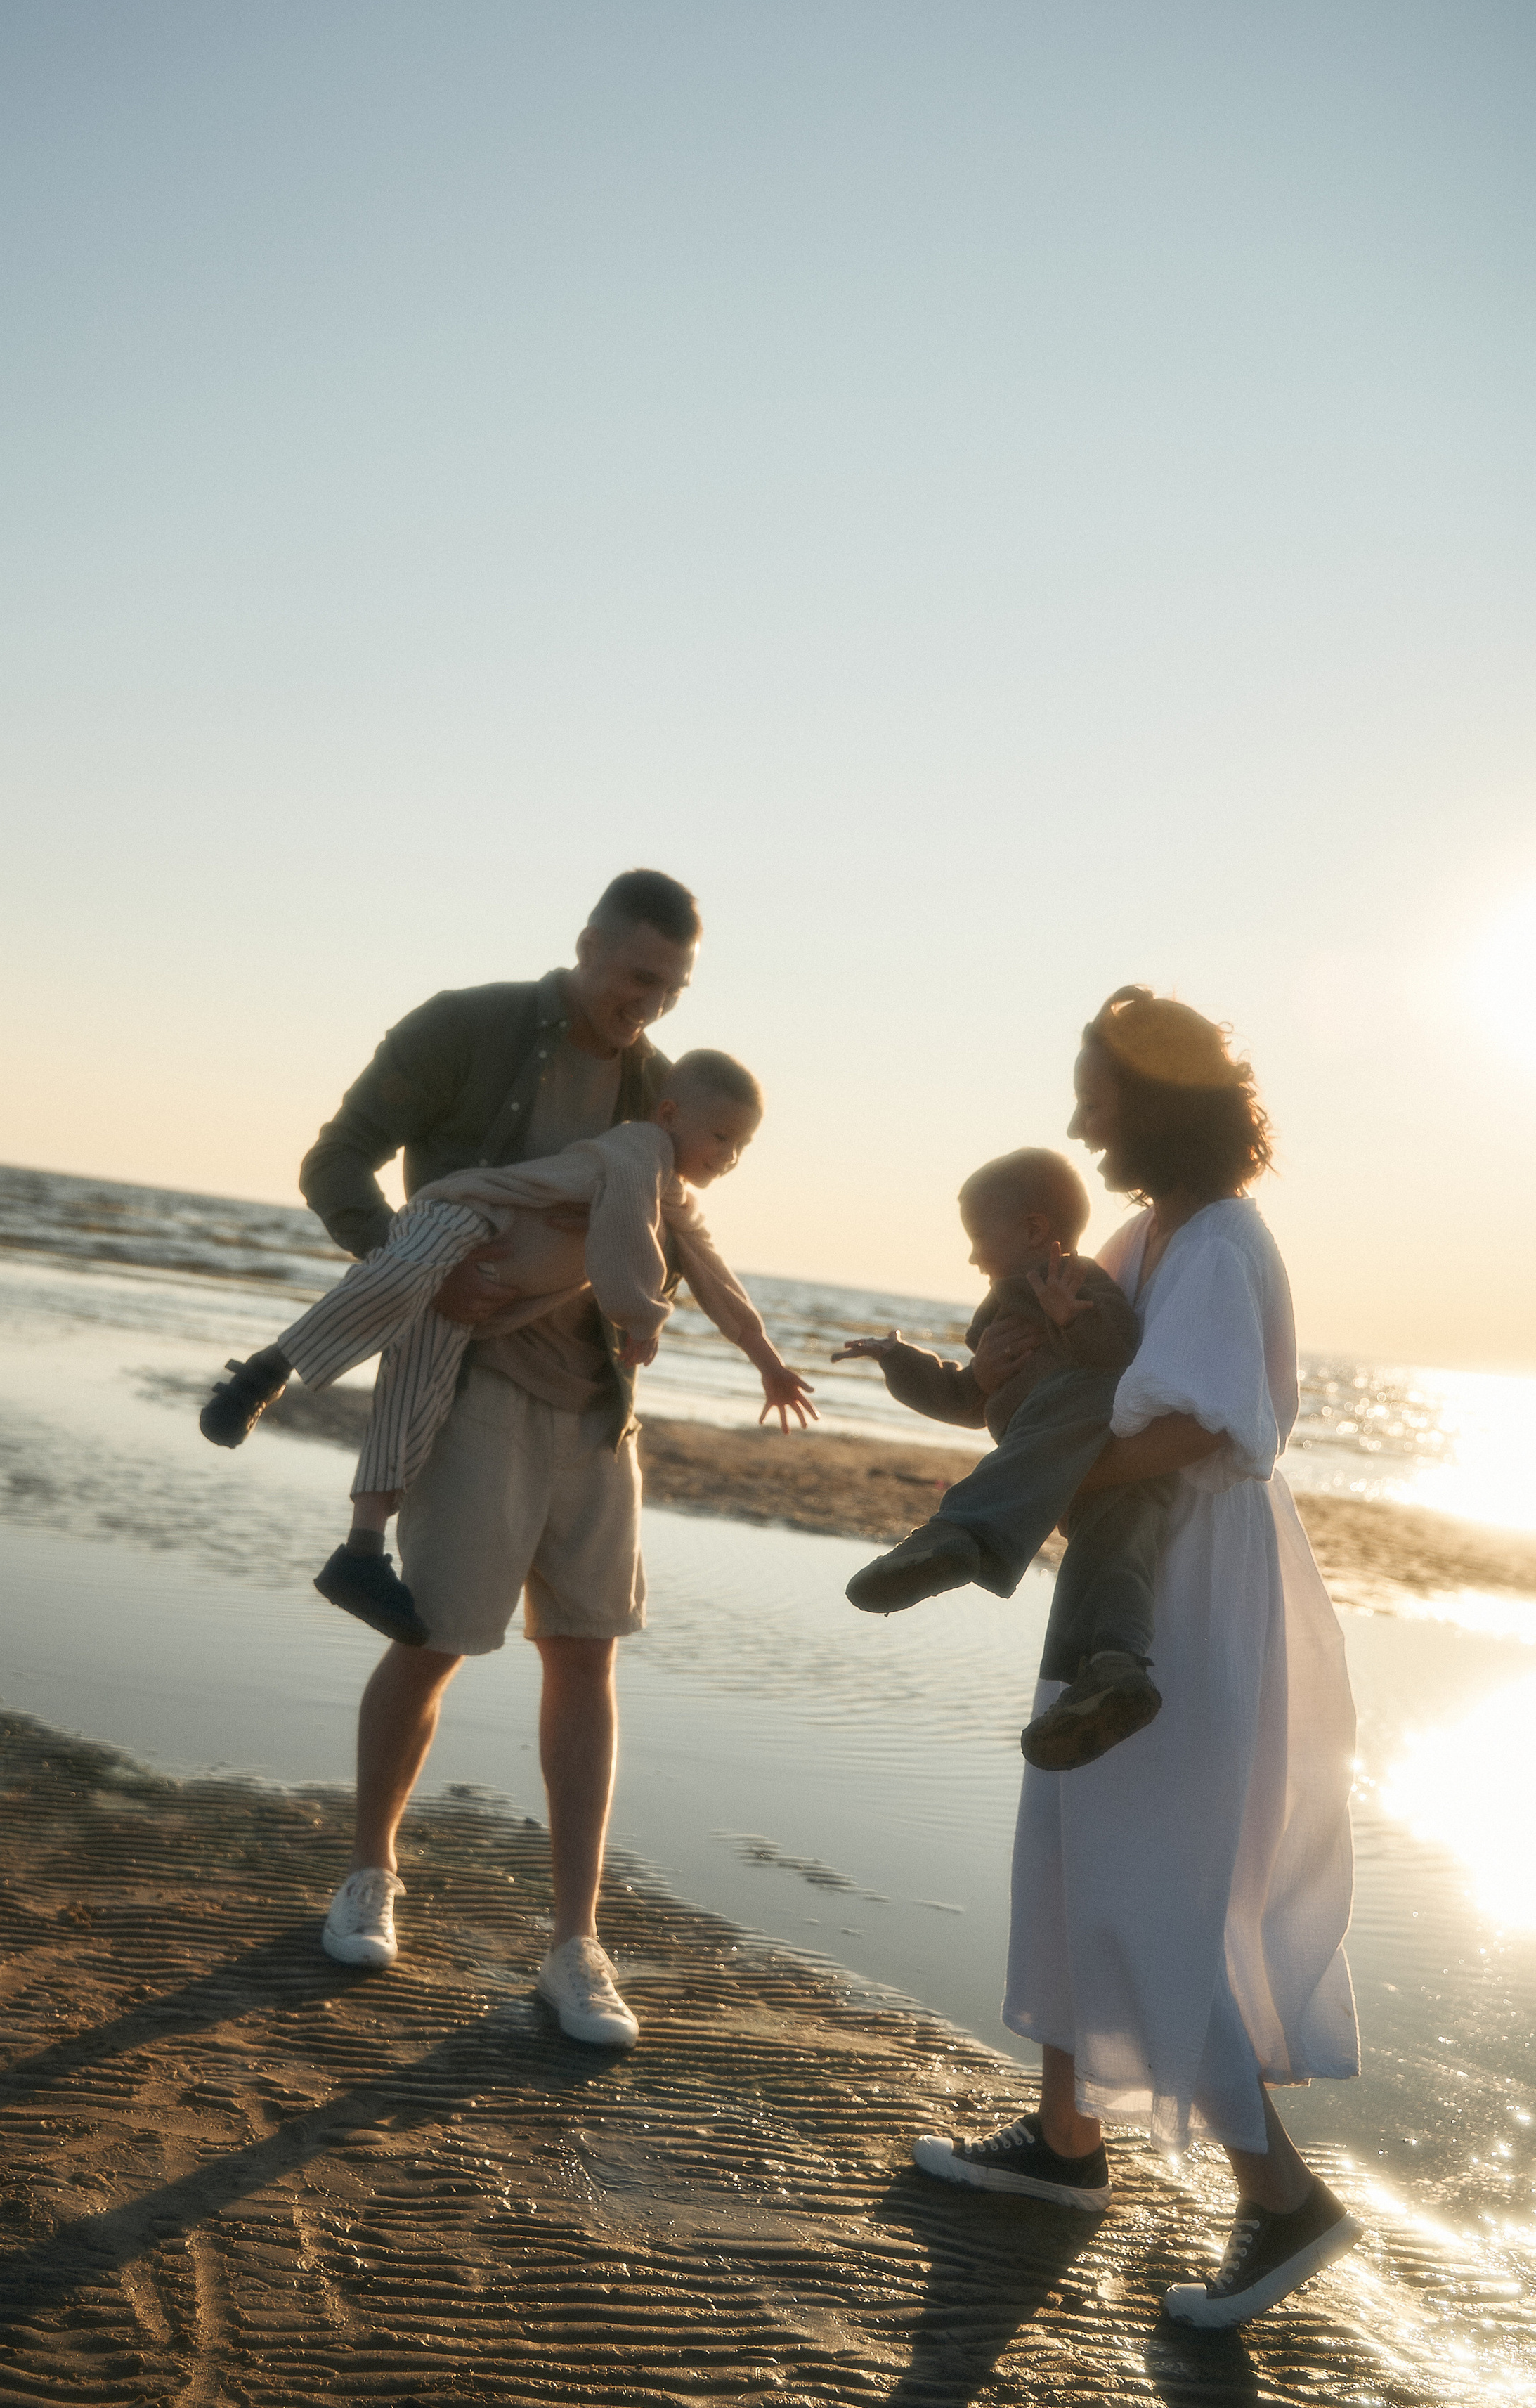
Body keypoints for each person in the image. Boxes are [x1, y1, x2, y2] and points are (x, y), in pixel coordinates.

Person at [911, 989, 1362, 2331]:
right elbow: (1080, 1377)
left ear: (1154, 1102)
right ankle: (1064, 2144)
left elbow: (1204, 1428)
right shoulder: (1149, 1232)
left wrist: (1048, 1481)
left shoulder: (1218, 1242)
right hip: (1137, 1565)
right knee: (1070, 1842)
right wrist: (999, 1373)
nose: (1078, 1123)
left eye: (1095, 1099)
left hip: (1196, 1581)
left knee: (1158, 1880)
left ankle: (1286, 2201)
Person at [224, 871, 733, 2051]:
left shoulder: (660, 1088)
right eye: (637, 978)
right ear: (588, 944)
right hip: (475, 1393)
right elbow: (335, 1161)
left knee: (588, 1657)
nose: (650, 1006)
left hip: (598, 1411)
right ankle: (370, 1874)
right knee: (435, 1637)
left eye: (672, 989)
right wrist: (412, 1268)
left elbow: (679, 1233)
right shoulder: (467, 1027)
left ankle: (574, 1947)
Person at [201, 1051, 814, 1645]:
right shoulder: (640, 1149)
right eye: (721, 1137)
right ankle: (267, 1370)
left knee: (415, 1395)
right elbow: (626, 1234)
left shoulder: (676, 1200)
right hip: (469, 1217)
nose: (730, 1157)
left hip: (485, 1295)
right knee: (394, 1284)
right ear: (670, 1114)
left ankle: (360, 1554)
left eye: (742, 1145)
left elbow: (718, 1282)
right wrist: (641, 1318)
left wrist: (771, 1366)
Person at [834, 1146, 1175, 1771]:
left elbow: (1119, 1358)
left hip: (1101, 1450)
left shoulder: (1075, 1282)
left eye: (978, 1238)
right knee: (1113, 1560)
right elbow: (967, 1400)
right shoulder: (1000, 1314)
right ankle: (1111, 1669)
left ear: (1034, 1230)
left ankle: (964, 1537)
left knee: (1119, 1548)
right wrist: (901, 1360)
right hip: (1063, 1472)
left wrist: (1070, 1319)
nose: (972, 1256)